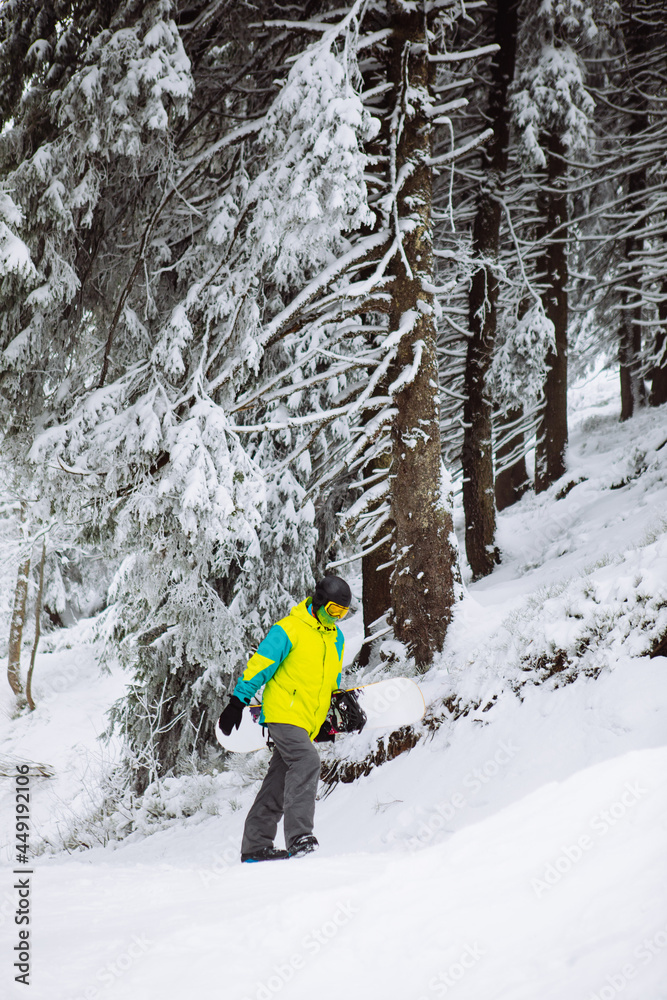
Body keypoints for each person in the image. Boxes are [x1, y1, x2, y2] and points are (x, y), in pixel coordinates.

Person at [217, 575, 352, 863]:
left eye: (343, 613)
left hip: (306, 720)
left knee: (279, 779)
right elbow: (260, 665)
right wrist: (238, 701)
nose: (337, 618)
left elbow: (331, 680)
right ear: (318, 603)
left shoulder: (336, 637)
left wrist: (328, 717)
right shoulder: (288, 629)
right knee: (307, 761)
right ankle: (300, 838)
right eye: (333, 610)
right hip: (282, 713)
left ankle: (255, 845)